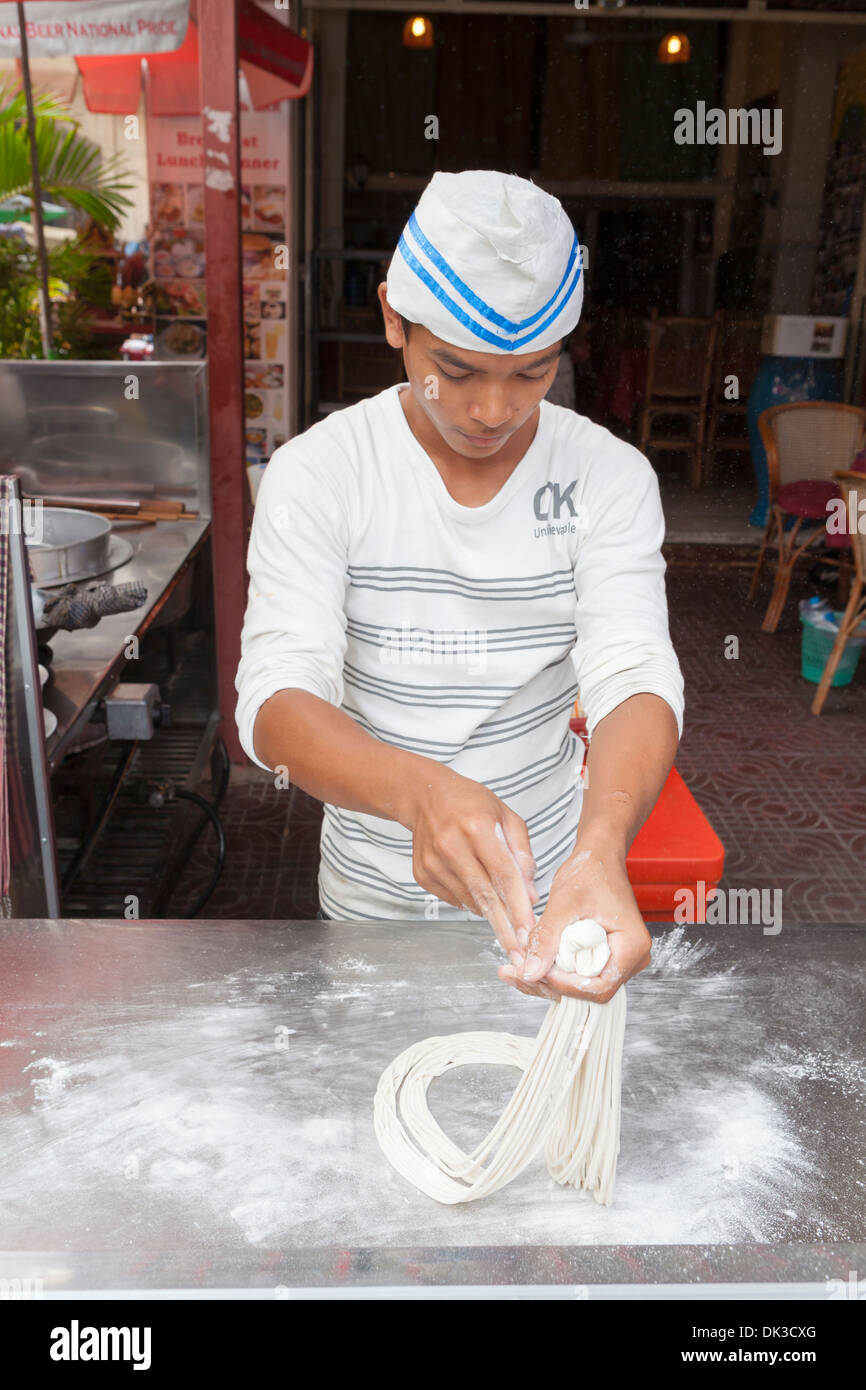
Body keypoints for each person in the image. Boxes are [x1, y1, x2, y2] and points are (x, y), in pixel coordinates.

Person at [235, 170, 684, 1006]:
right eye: (458, 370)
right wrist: (421, 794)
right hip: (372, 902)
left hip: (554, 893)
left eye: (531, 373)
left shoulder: (608, 478)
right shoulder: (321, 474)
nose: (492, 409)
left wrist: (601, 847)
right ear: (392, 319)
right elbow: (275, 699)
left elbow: (635, 674)